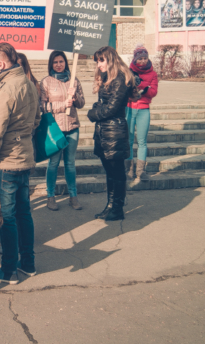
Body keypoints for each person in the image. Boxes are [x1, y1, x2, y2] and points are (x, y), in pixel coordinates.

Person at [0, 43, 41, 284]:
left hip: (4, 160)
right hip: (23, 156)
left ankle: (8, 270)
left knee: (4, 217)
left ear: (2, 64)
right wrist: (21, 136)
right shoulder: (27, 83)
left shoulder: (5, 88)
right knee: (23, 213)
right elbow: (37, 118)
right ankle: (27, 263)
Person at [87, 46, 138, 222]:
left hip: (114, 131)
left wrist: (92, 114)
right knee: (109, 172)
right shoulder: (108, 77)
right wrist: (97, 108)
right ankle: (110, 206)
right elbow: (103, 104)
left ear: (110, 59)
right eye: (97, 61)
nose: (98, 64)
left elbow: (111, 108)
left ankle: (117, 208)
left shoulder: (119, 79)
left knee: (117, 172)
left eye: (101, 60)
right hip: (104, 132)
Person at [40, 51, 85, 211]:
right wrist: (62, 105)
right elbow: (42, 106)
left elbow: (81, 104)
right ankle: (50, 197)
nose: (59, 64)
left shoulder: (74, 80)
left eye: (61, 61)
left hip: (72, 127)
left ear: (66, 63)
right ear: (51, 64)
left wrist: (75, 97)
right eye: (55, 62)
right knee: (53, 164)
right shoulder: (46, 82)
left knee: (70, 164)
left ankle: (73, 196)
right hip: (55, 129)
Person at [126, 45, 158, 182]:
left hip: (144, 109)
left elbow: (153, 92)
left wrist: (141, 85)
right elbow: (125, 91)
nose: (143, 61)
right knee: (128, 140)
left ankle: (140, 171)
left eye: (145, 58)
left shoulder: (153, 74)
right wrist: (143, 86)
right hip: (129, 108)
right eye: (140, 59)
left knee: (142, 141)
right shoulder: (128, 72)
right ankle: (128, 170)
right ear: (135, 59)